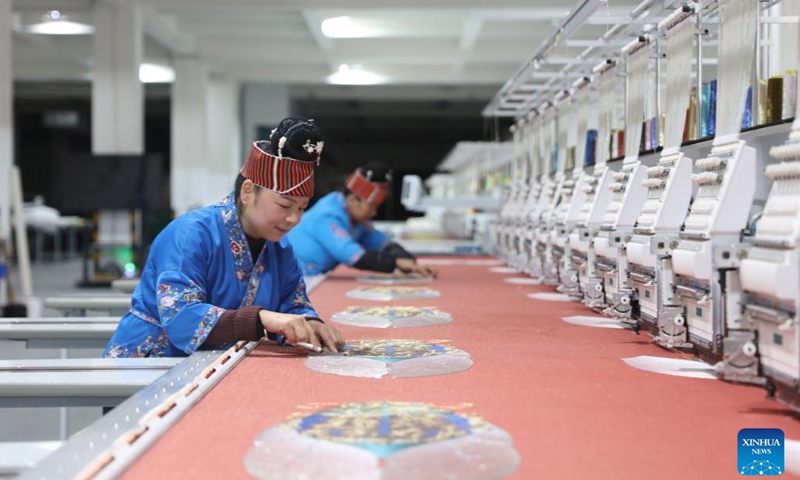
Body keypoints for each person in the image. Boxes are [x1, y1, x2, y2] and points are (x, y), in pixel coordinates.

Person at [104, 117, 344, 358]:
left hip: (215, 363)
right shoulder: (191, 233)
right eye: (284, 205)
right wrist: (262, 319)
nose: (294, 219)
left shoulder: (279, 246)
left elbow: (292, 302)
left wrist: (310, 324)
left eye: (302, 208)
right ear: (248, 192)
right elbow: (180, 315)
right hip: (148, 366)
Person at [286, 161, 436, 277]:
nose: (374, 213)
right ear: (352, 200)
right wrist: (396, 262)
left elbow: (380, 242)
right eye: (372, 206)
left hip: (315, 276)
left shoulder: (356, 221)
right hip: (296, 277)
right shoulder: (327, 215)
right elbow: (353, 256)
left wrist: (407, 259)